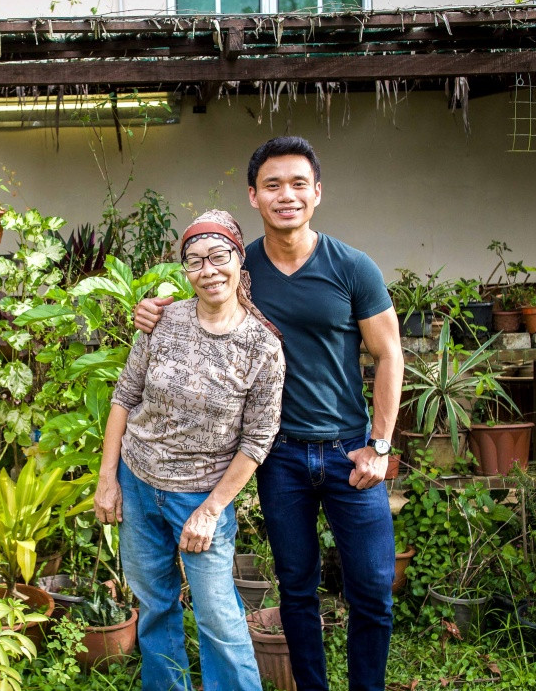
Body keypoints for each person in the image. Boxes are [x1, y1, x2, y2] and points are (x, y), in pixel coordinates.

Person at [134, 136, 404, 691]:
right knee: (296, 587)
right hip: (278, 454)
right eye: (273, 185)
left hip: (349, 449)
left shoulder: (352, 268)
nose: (287, 195)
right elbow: (198, 294)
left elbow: (390, 354)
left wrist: (379, 446)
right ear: (253, 196)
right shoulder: (239, 263)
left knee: (373, 587)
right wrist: (155, 307)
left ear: (318, 193)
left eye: (299, 183)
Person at [94, 209, 286, 691]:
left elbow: (258, 440)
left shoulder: (261, 347)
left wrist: (211, 510)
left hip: (200, 498)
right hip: (138, 486)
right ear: (184, 270)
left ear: (240, 261)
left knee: (218, 616)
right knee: (155, 605)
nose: (208, 270)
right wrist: (108, 479)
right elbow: (124, 396)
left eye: (219, 256)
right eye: (194, 260)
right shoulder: (163, 320)